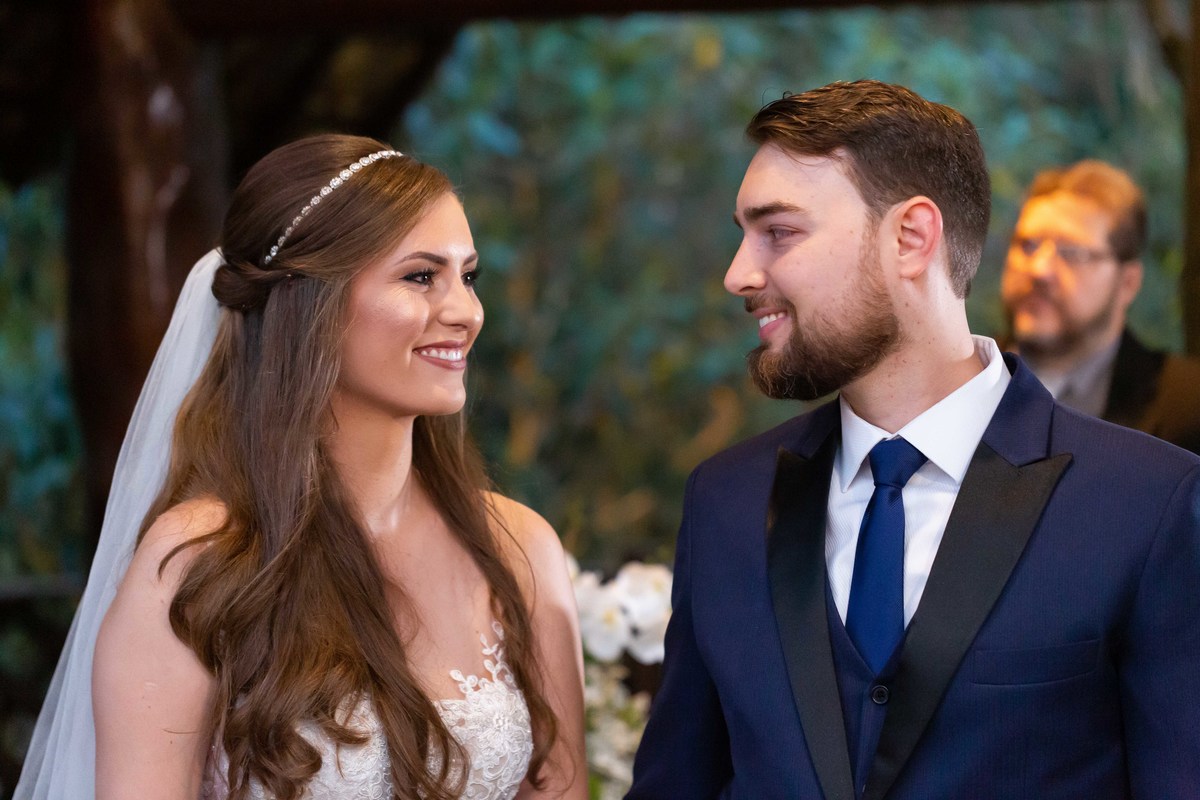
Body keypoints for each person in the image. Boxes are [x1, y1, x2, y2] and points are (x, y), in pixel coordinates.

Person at [627, 80, 1200, 799]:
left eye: (779, 232)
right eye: (743, 234)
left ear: (911, 237)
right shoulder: (725, 502)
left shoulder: (1147, 503)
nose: (739, 273)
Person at [17, 134, 586, 800]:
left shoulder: (520, 548)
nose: (464, 312)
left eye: (469, 276)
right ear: (309, 304)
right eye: (420, 276)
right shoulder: (202, 561)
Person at [1001, 158, 1200, 453]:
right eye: (1027, 245)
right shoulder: (959, 382)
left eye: (1071, 253)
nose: (1039, 269)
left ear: (1128, 283)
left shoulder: (1188, 405)